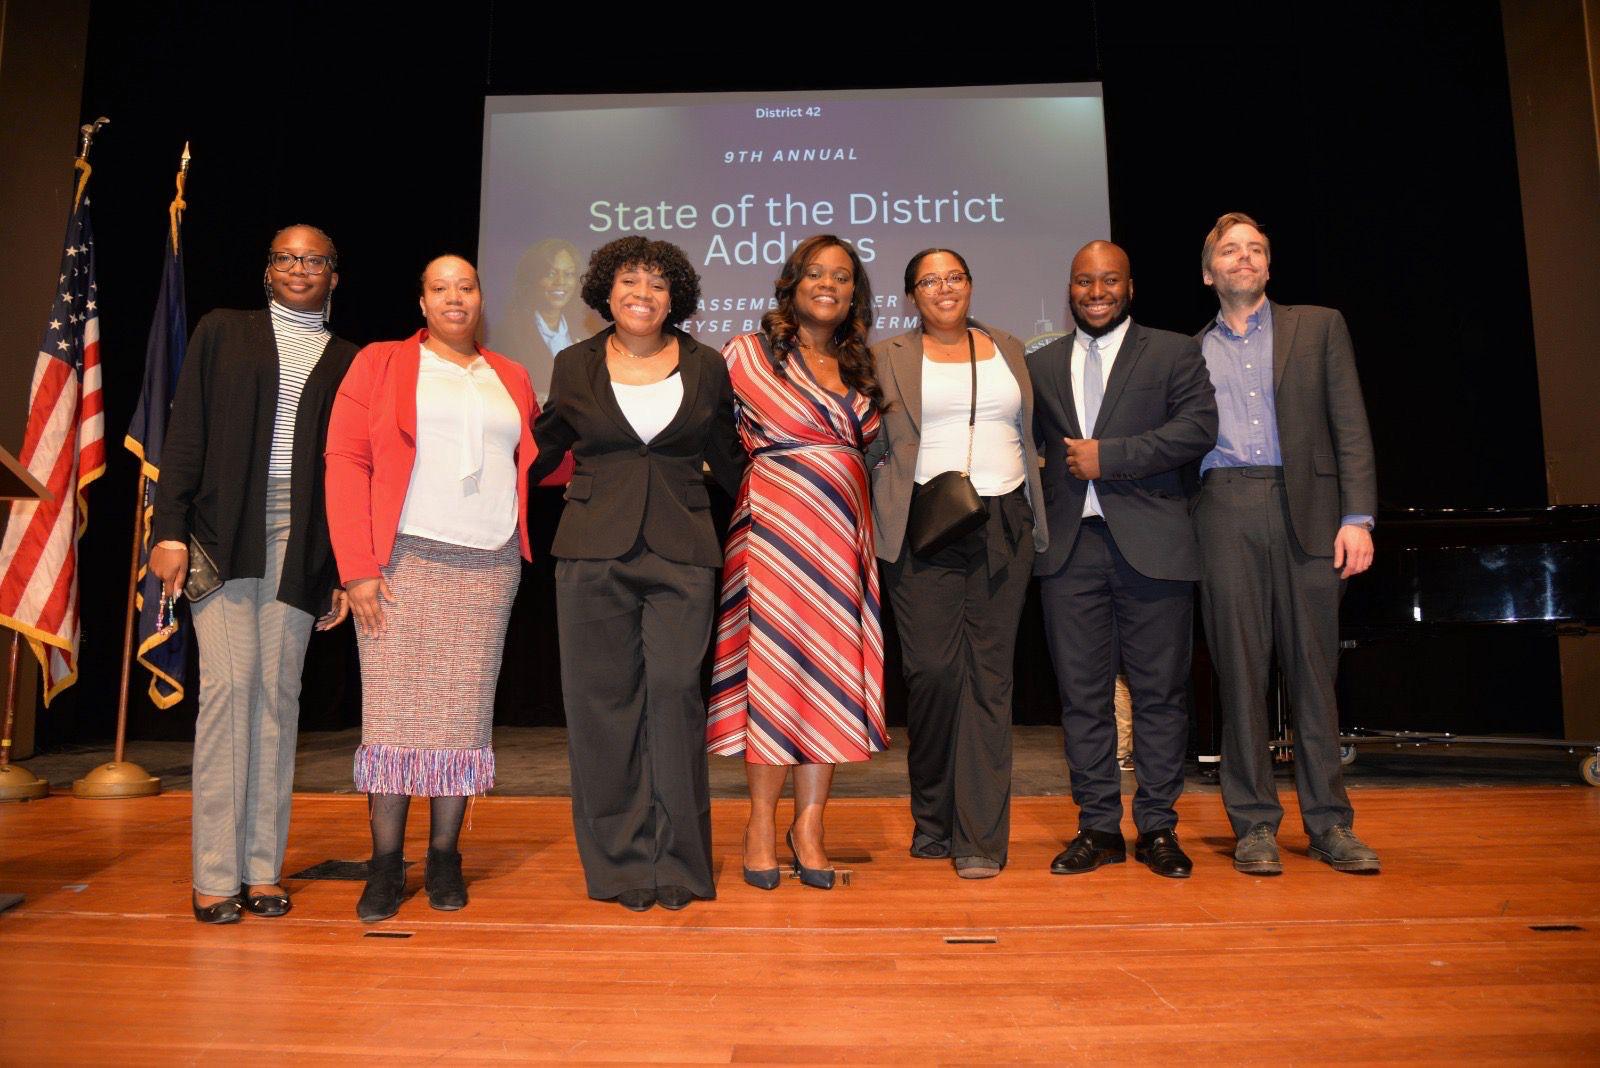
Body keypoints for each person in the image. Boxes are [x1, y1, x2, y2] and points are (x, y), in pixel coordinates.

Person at [530, 236, 745, 912]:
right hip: (593, 549)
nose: (642, 293)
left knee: (676, 697)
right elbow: (540, 447)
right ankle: (621, 866)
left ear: (675, 296)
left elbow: (730, 456)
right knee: (601, 706)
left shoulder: (708, 366)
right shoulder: (573, 363)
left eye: (657, 282)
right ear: (607, 290)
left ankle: (679, 862)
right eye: (629, 280)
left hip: (683, 548)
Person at [149, 224, 357, 924]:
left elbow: (347, 470)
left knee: (277, 698)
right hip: (221, 532)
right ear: (268, 270)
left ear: (334, 275)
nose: (299, 267)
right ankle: (215, 873)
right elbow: (185, 434)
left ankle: (261, 868)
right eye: (286, 258)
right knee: (229, 692)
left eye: (314, 259)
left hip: (302, 540)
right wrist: (168, 528)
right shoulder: (222, 330)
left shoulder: (348, 358)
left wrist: (339, 567)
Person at [325, 255, 538, 922]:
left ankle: (445, 857)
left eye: (465, 286)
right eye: (440, 287)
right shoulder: (381, 362)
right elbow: (346, 460)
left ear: (481, 298)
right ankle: (386, 865)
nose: (454, 297)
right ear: (421, 302)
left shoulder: (511, 374)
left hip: (489, 565)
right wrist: (357, 567)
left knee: (462, 719)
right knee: (393, 720)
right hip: (403, 563)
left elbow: (539, 458)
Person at [1193, 212, 1379, 875]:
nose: (1244, 257)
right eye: (1230, 250)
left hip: (1311, 511)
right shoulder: (1189, 351)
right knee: (1240, 674)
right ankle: (1253, 827)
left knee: (1313, 675)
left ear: (1268, 266)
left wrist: (1357, 516)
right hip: (1224, 510)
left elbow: (1350, 422)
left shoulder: (1319, 326)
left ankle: (1330, 823)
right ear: (1209, 272)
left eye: (1256, 249)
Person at [1028, 240, 1217, 880]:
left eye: (1109, 280)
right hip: (1069, 551)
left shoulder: (1172, 351)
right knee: (1082, 698)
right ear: (1070, 289)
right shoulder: (1041, 363)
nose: (1096, 292)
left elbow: (1198, 430)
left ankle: (1159, 827)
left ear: (1130, 287)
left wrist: (1111, 457)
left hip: (1154, 547)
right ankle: (1099, 828)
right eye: (1084, 281)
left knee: (1160, 694)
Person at [706, 235, 886, 892]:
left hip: (841, 540)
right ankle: (759, 824)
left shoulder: (860, 365)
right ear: (792, 283)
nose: (828, 284)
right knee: (773, 675)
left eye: (842, 275)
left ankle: (809, 827)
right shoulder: (747, 354)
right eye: (815, 272)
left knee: (827, 676)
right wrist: (761, 488)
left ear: (854, 293)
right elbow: (709, 434)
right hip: (773, 537)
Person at [869, 248, 1048, 879]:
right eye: (929, 281)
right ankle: (934, 818)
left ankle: (980, 837)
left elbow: (1029, 431)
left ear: (970, 285)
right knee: (934, 674)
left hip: (1005, 520)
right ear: (911, 295)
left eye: (954, 278)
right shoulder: (884, 356)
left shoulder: (1009, 347)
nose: (944, 288)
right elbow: (866, 443)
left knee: (989, 679)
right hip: (925, 523)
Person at [501, 237, 602, 402]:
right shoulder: (510, 335)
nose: (560, 282)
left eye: (568, 274)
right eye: (551, 273)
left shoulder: (587, 331)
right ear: (533, 278)